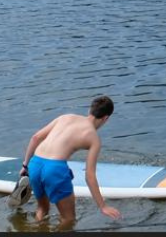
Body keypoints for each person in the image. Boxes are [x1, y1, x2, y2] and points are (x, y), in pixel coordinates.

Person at [18, 95, 122, 226]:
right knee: (68, 219)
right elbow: (89, 176)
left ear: (90, 109)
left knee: (42, 209)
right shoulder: (93, 137)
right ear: (106, 118)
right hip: (54, 169)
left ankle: (36, 229)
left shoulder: (65, 117)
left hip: (35, 163)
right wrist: (103, 206)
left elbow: (35, 137)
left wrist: (25, 165)